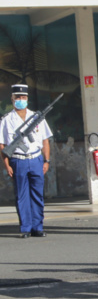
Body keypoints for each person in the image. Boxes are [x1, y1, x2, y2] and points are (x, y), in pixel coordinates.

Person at [0, 84, 52, 239]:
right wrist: (7, 164)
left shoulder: (36, 117)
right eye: (18, 98)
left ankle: (38, 227)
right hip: (18, 160)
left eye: (23, 98)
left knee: (37, 194)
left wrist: (46, 160)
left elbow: (45, 140)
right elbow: (2, 144)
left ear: (27, 99)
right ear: (12, 99)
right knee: (22, 195)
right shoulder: (7, 120)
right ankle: (26, 228)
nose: (21, 100)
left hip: (36, 159)